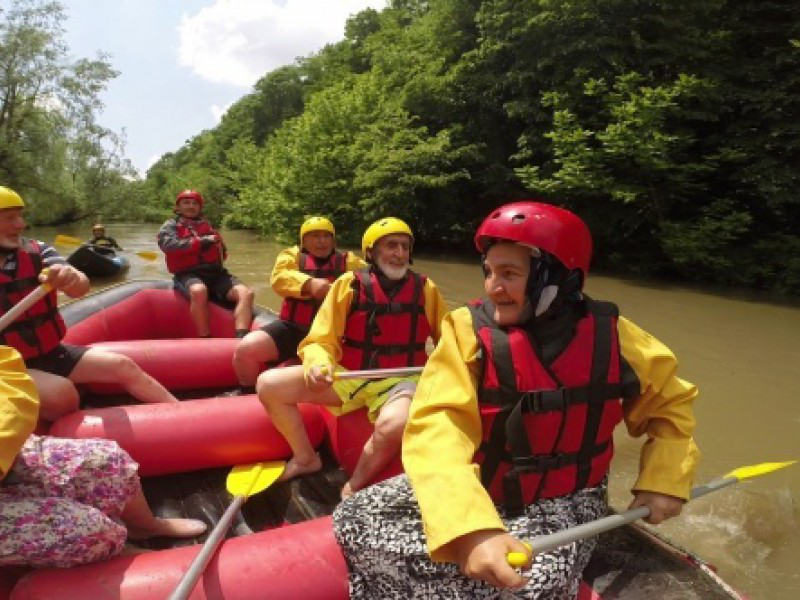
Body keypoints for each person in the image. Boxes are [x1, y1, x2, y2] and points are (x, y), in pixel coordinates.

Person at [333, 201, 700, 598]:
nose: (493, 286)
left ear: (559, 279)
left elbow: (670, 408)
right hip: (482, 486)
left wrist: (664, 479)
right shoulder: (464, 331)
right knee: (352, 518)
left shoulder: (617, 337)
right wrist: (471, 526)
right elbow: (438, 424)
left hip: (565, 501)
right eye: (489, 272)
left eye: (509, 274)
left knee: (528, 587)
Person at [257, 217, 449, 499]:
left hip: (400, 380)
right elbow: (320, 339)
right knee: (268, 385)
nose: (399, 254)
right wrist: (318, 365)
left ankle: (355, 484)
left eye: (404, 247)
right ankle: (306, 458)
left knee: (394, 424)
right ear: (371, 252)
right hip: (350, 376)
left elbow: (448, 336)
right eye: (390, 246)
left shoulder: (426, 288)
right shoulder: (349, 285)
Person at [0, 344, 207, 568]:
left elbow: (10, 375)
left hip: (8, 453)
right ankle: (117, 554)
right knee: (81, 529)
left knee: (108, 461)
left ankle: (145, 526)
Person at [0, 186, 180, 421]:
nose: (20, 224)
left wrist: (70, 277)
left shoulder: (38, 250)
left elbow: (81, 287)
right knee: (62, 393)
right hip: (6, 367)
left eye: (21, 216)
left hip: (50, 352)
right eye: (10, 218)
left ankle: (183, 414)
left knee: (123, 365)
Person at [230, 217, 366, 395]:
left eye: (326, 236)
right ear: (304, 240)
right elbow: (279, 278)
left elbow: (371, 281)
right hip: (293, 329)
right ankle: (247, 393)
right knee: (245, 350)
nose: (322, 241)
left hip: (333, 335)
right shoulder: (291, 256)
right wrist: (309, 284)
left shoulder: (350, 262)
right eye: (315, 236)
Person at [157, 189, 255, 338]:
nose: (191, 206)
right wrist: (201, 242)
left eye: (195, 203)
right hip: (187, 273)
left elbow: (223, 255)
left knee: (246, 293)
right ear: (178, 207)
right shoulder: (170, 226)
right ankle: (205, 337)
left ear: (200, 207)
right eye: (186, 203)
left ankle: (241, 338)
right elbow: (168, 246)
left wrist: (215, 245)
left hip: (215, 274)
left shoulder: (208, 227)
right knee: (199, 291)